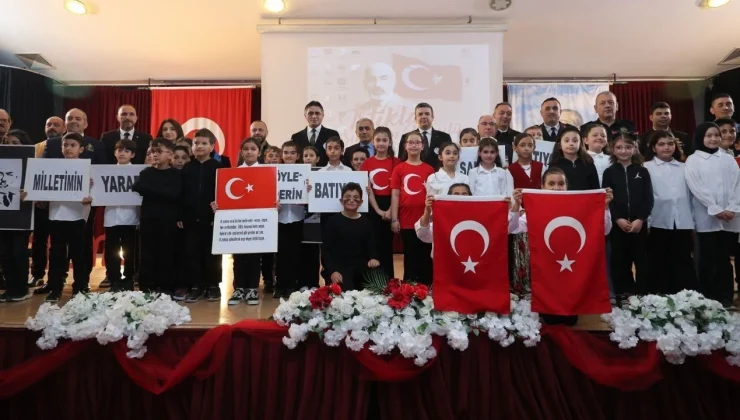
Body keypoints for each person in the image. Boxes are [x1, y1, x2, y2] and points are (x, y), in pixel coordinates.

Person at [510, 167, 613, 325]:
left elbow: (604, 229)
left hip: (574, 270)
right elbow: (512, 228)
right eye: (551, 183)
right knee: (549, 318)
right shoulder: (536, 207)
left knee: (571, 320)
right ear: (542, 187)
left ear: (567, 186)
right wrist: (516, 206)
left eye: (561, 183)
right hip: (546, 270)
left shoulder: (581, 206)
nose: (556, 187)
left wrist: (605, 207)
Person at [685, 122, 740, 308]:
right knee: (707, 258)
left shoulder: (727, 159)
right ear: (700, 137)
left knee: (724, 258)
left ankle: (725, 296)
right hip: (706, 216)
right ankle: (707, 296)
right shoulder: (693, 160)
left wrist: (732, 207)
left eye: (716, 135)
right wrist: (715, 208)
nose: (714, 139)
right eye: (709, 135)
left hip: (729, 217)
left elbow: (736, 185)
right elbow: (697, 187)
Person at [643, 130, 697, 294]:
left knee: (682, 258)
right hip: (658, 220)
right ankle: (660, 295)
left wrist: (693, 220)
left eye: (670, 143)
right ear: (653, 148)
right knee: (658, 259)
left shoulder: (685, 167)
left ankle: (684, 295)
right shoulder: (646, 167)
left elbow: (691, 195)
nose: (666, 147)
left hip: (682, 219)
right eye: (661, 144)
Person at [602, 133, 653, 300]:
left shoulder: (642, 171)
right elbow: (608, 199)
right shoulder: (609, 172)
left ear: (634, 148)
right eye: (619, 147)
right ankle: (623, 292)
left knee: (641, 259)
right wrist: (617, 219)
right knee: (620, 260)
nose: (623, 151)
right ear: (612, 150)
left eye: (627, 147)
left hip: (639, 225)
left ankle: (642, 292)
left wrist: (640, 219)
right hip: (618, 225)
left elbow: (648, 198)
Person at [44, 133, 94, 303]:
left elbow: (95, 191)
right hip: (56, 215)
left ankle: (80, 287)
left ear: (81, 149)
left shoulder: (88, 168)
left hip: (78, 216)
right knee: (57, 254)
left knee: (78, 254)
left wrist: (91, 195)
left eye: (72, 145)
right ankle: (55, 288)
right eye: (65, 145)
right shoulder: (52, 167)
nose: (68, 148)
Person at [132, 139, 181, 295]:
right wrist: (160, 191)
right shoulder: (146, 173)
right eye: (152, 152)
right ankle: (146, 284)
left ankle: (166, 286)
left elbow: (174, 194)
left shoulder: (176, 174)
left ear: (170, 155)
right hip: (149, 219)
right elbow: (137, 187)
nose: (154, 155)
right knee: (147, 252)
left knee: (167, 252)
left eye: (159, 151)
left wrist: (150, 190)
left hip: (168, 220)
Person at [180, 129, 223, 302]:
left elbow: (223, 193)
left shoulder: (219, 168)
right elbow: (181, 194)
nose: (199, 146)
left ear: (212, 146)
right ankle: (196, 285)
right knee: (192, 252)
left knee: (212, 253)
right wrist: (180, 216)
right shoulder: (187, 167)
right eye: (196, 143)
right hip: (190, 217)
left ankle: (213, 285)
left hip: (211, 218)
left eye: (204, 143)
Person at [390, 132, 435, 284]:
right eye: (410, 142)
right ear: (405, 146)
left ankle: (426, 291)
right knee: (409, 257)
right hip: (406, 220)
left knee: (425, 257)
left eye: (417, 142)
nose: (414, 145)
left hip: (425, 221)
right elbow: (395, 195)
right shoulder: (399, 169)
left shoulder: (429, 170)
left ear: (422, 146)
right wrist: (395, 218)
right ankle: (408, 292)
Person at [228, 137, 265, 305]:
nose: (249, 152)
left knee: (255, 256)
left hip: (257, 221)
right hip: (239, 221)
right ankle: (239, 288)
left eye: (253, 149)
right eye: (246, 149)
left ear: (259, 152)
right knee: (239, 256)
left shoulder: (266, 172)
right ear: (241, 152)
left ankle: (252, 288)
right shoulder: (232, 172)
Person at [322, 183, 380, 291]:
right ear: (341, 201)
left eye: (355, 198)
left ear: (361, 202)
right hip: (339, 267)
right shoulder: (332, 222)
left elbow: (371, 245)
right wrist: (332, 271)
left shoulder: (366, 222)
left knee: (376, 285)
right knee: (345, 291)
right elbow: (326, 251)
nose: (351, 200)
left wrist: (373, 258)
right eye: (347, 197)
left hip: (361, 266)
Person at [29, 117, 65, 289]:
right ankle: (36, 274)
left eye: (56, 125)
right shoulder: (36, 148)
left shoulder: (69, 146)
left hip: (62, 203)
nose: (52, 128)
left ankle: (56, 278)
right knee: (39, 240)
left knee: (58, 242)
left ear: (64, 128)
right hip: (42, 203)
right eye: (48, 124)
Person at [362, 127, 399, 279]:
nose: (381, 143)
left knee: (387, 246)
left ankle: (389, 281)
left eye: (384, 140)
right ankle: (374, 282)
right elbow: (368, 188)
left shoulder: (396, 163)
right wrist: (378, 210)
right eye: (378, 140)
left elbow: (397, 190)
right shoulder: (367, 163)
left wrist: (390, 210)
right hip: (373, 206)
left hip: (392, 205)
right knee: (373, 244)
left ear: (390, 142)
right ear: (373, 142)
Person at [103, 139, 139, 292]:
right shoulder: (105, 171)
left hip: (131, 217)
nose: (122, 153)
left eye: (126, 150)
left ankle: (129, 279)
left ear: (133, 154)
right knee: (111, 251)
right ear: (114, 152)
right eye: (119, 150)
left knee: (130, 250)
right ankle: (114, 279)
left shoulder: (139, 172)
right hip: (111, 216)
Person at [0, 131, 32, 301]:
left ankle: (21, 289)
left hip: (22, 214)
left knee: (18, 251)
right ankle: (10, 288)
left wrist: (28, 193)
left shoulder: (32, 163)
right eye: (7, 142)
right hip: (3, 215)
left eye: (15, 143)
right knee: (4, 253)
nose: (10, 146)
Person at [397, 103, 452, 167]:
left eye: (427, 114)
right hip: (414, 174)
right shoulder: (406, 137)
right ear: (415, 118)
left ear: (432, 117)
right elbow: (402, 161)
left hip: (438, 175)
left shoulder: (444, 137)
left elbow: (449, 159)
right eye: (420, 114)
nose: (424, 116)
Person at [43, 108, 107, 164]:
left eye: (78, 119)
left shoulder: (97, 145)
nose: (73, 121)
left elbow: (102, 169)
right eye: (70, 118)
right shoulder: (51, 144)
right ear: (65, 124)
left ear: (85, 124)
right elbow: (43, 167)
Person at [290, 101, 340, 166]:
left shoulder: (332, 134)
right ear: (305, 115)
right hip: (303, 174)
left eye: (317, 113)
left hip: (325, 173)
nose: (314, 116)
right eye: (310, 113)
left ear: (322, 115)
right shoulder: (296, 137)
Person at [300, 145, 322, 290]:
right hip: (301, 220)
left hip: (317, 221)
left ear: (318, 159)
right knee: (302, 253)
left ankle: (314, 283)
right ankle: (302, 283)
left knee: (314, 254)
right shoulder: (298, 173)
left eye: (311, 155)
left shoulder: (322, 173)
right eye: (306, 155)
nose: (308, 158)